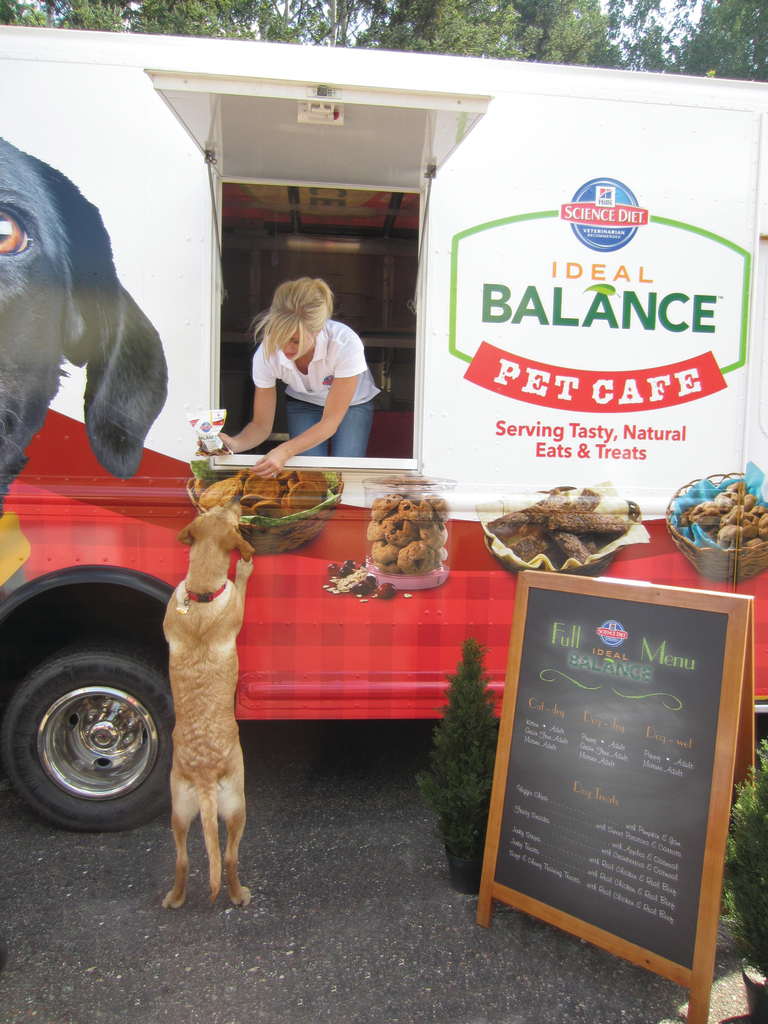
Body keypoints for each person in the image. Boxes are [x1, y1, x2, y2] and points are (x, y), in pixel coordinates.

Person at [220, 278, 379, 478]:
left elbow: (331, 420)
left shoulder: (345, 343)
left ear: (318, 330)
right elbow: (261, 425)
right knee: (310, 477)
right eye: (280, 337)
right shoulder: (266, 353)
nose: (286, 348)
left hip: (353, 404)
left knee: (345, 473)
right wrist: (235, 444)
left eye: (296, 340)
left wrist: (285, 451)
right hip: (303, 401)